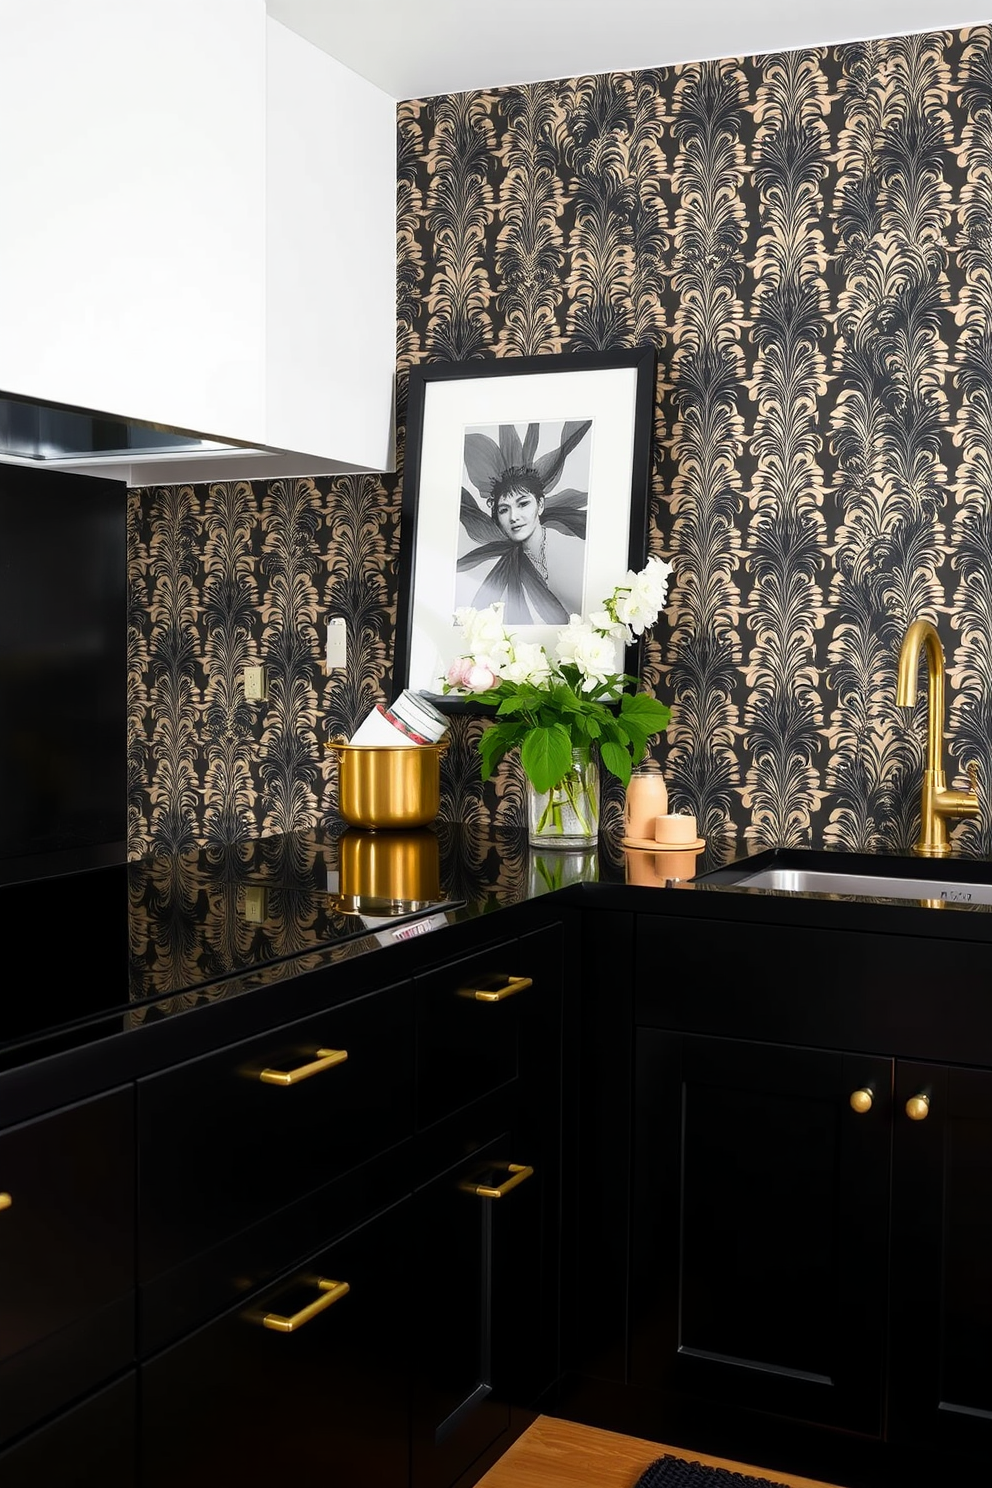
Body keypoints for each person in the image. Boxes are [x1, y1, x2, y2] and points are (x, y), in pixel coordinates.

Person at [456, 421, 589, 623]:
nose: (513, 517)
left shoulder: (576, 551)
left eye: (523, 504)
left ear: (540, 505)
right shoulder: (504, 570)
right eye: (503, 509)